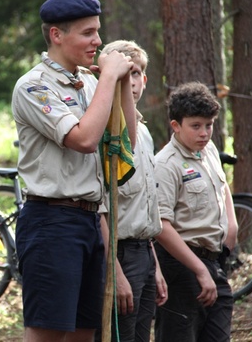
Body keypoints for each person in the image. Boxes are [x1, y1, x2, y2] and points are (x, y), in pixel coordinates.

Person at [11, 0, 137, 341]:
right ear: (56, 34)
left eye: (97, 31)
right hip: (52, 222)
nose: (98, 41)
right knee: (48, 332)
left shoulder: (92, 81)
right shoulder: (34, 86)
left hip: (89, 220)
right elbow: (83, 139)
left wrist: (122, 83)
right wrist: (109, 80)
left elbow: (125, 147)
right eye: (88, 33)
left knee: (84, 332)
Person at [153, 81, 237, 342]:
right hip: (180, 266)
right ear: (176, 126)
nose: (204, 133)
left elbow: (222, 186)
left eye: (209, 125)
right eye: (196, 126)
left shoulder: (208, 150)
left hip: (214, 260)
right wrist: (199, 270)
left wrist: (231, 226)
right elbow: (161, 225)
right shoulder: (166, 165)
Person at [95, 40, 168, 341]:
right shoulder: (105, 133)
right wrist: (115, 272)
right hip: (118, 253)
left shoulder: (145, 133)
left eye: (135, 74)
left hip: (144, 252)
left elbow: (145, 207)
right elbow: (99, 207)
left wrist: (156, 267)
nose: (132, 82)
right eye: (125, 74)